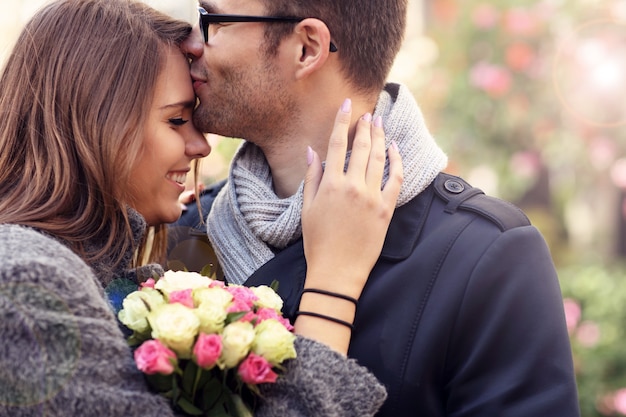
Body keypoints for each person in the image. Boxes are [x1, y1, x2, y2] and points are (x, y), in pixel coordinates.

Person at [172, 0, 581, 415]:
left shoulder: (485, 258)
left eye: (213, 20)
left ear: (307, 48)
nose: (191, 41)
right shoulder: (185, 231)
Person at [0, 0, 404, 416]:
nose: (201, 146)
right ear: (92, 122)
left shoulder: (101, 269)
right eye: (176, 120)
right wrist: (332, 286)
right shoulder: (25, 286)